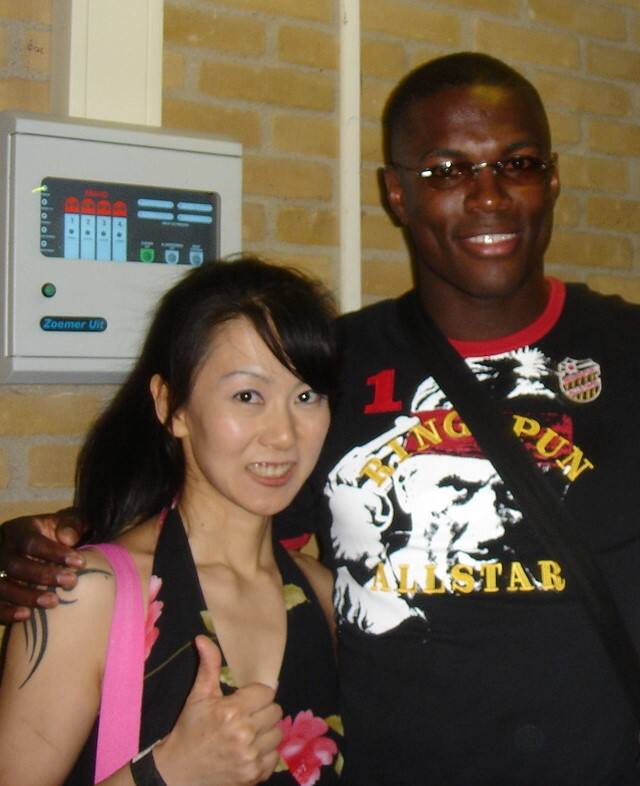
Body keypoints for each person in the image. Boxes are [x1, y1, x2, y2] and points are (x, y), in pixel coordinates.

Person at [2, 51, 640, 784]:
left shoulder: (629, 352)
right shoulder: (333, 367)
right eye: (446, 171)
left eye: (518, 164)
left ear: (552, 179)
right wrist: (50, 547)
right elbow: (222, 495)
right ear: (396, 193)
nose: (488, 195)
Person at [0, 257, 343, 786]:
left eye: (306, 396)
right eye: (247, 396)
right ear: (171, 406)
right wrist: (169, 772)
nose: (284, 434)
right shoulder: (84, 596)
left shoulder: (322, 596)